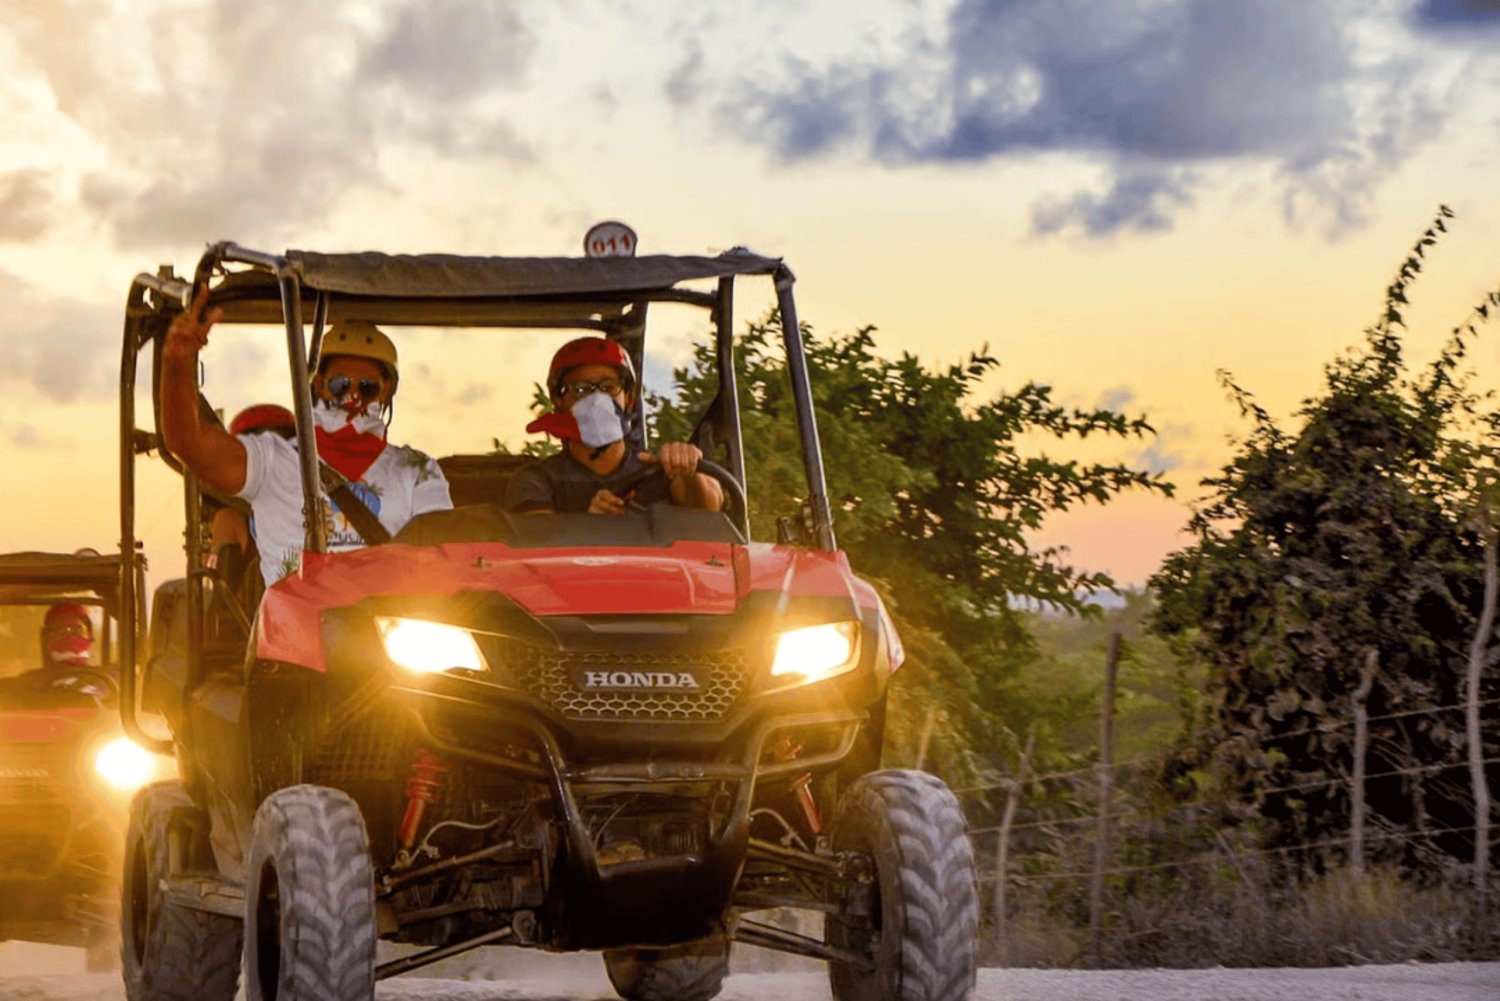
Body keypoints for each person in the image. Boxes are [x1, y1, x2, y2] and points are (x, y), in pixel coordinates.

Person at [161, 287, 452, 585]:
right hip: (293, 627)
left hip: (395, 625)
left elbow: (445, 557)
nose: (353, 395)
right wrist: (178, 363)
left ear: (386, 392)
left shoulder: (418, 471)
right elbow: (188, 443)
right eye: (340, 385)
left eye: (367, 387)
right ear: (319, 386)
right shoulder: (273, 459)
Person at [503, 337, 724, 515]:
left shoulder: (660, 473)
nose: (596, 399)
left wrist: (688, 470)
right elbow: (537, 548)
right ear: (559, 401)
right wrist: (593, 526)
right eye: (580, 390)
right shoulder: (536, 479)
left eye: (608, 387)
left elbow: (711, 508)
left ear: (628, 398)